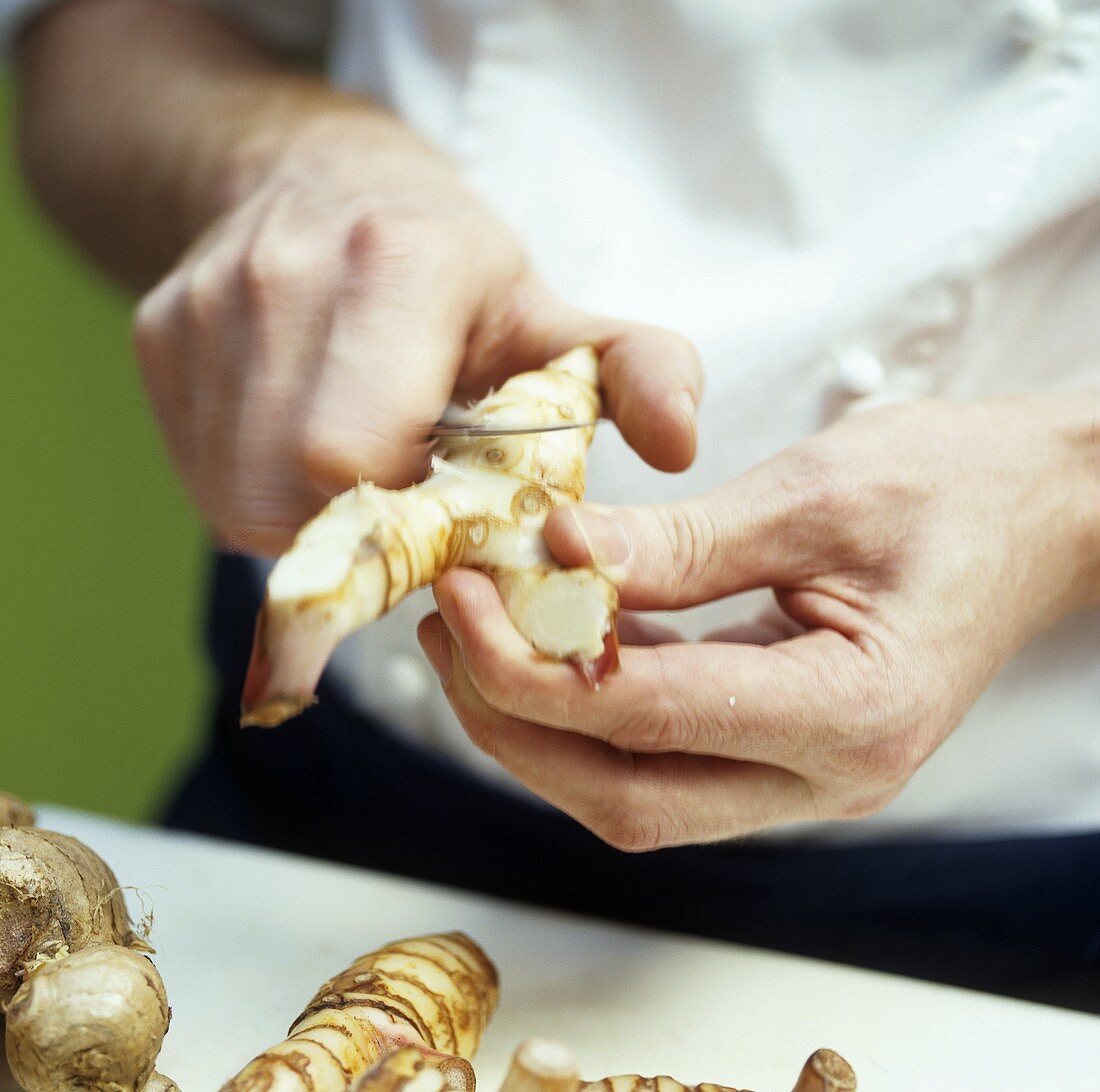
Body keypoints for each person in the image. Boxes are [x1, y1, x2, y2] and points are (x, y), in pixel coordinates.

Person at [5, 0, 1099, 1009]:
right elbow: (96, 30)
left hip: (995, 925)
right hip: (315, 820)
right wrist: (275, 162)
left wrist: (1069, 487)